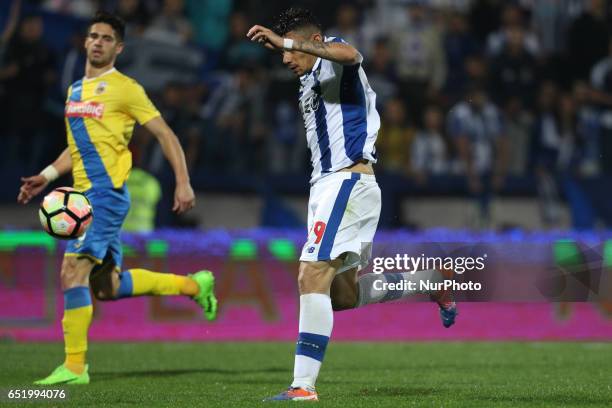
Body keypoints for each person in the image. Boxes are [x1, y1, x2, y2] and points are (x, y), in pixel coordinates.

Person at [247, 7, 457, 402]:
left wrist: (289, 41)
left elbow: (352, 56)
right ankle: (430, 281)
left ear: (312, 41)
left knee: (311, 276)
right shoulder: (309, 78)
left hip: (346, 181)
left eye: (290, 51)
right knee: (341, 297)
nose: (286, 58)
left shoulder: (335, 58)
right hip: (330, 187)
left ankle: (302, 388)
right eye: (281, 53)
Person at [17, 12, 217, 385]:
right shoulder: (74, 91)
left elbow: (166, 135)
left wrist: (183, 181)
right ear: (85, 41)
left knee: (72, 270)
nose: (97, 42)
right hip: (83, 194)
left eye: (106, 38)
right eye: (93, 36)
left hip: (104, 196)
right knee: (107, 287)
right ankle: (194, 285)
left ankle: (75, 368)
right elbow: (75, 149)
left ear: (118, 47)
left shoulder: (126, 88)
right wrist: (44, 177)